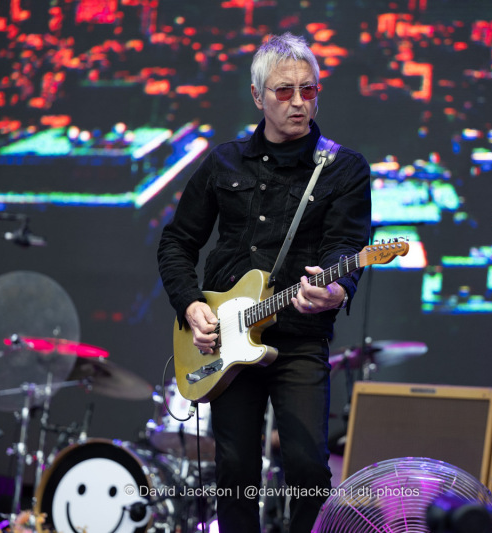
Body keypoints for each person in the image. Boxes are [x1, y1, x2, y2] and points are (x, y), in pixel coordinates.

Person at [157, 32, 371, 532]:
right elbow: (176, 243)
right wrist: (191, 305)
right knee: (234, 473)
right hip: (225, 341)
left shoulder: (343, 168)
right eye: (284, 91)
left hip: (298, 339)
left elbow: (346, 250)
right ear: (258, 96)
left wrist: (336, 290)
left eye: (309, 89)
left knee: (307, 470)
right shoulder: (223, 162)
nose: (299, 102)